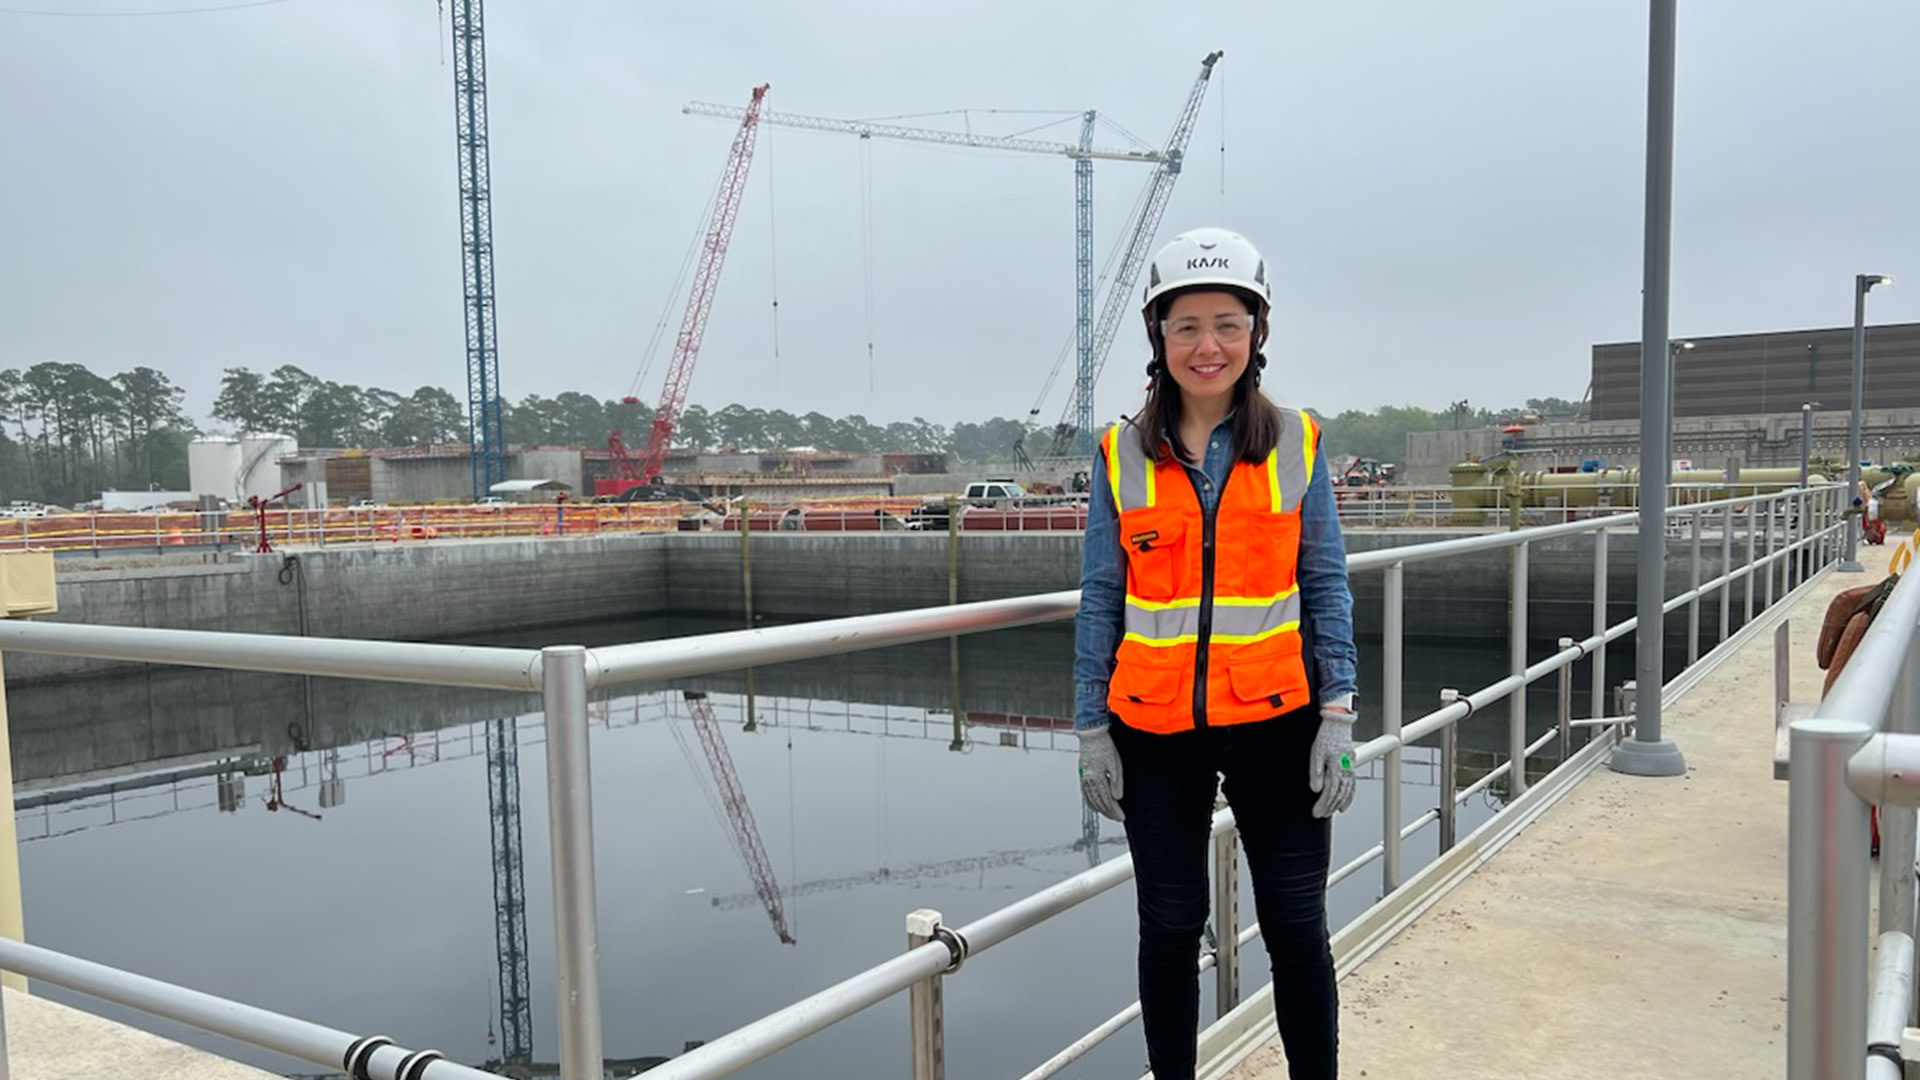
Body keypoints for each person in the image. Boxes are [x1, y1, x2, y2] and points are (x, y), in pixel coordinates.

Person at [1073, 227, 1358, 1080]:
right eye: (1187, 325)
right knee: (1167, 925)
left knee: (1297, 925)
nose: (1208, 345)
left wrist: (1338, 711)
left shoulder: (1299, 444)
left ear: (1256, 332)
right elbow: (1101, 595)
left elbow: (1327, 586)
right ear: (1159, 337)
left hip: (1279, 722)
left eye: (1227, 323)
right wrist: (1090, 725)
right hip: (1154, 731)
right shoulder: (1120, 453)